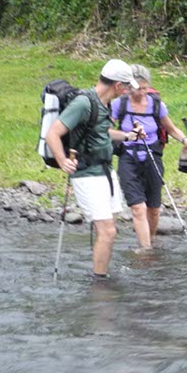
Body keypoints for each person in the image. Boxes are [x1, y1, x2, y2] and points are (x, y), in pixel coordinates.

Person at [44, 59, 142, 279]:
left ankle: (101, 272)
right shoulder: (83, 103)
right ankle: (99, 282)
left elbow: (102, 133)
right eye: (126, 87)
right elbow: (53, 133)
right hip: (88, 175)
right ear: (117, 85)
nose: (127, 91)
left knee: (109, 229)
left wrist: (127, 136)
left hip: (105, 172)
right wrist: (62, 160)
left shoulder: (102, 104)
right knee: (108, 231)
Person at [110, 64, 187, 251]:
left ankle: (150, 242)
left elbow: (171, 129)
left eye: (145, 88)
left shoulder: (157, 105)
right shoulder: (119, 105)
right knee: (138, 208)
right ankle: (145, 251)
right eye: (139, 88)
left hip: (152, 157)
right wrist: (127, 135)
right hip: (128, 158)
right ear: (129, 86)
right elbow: (105, 129)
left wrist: (186, 140)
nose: (143, 92)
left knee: (153, 209)